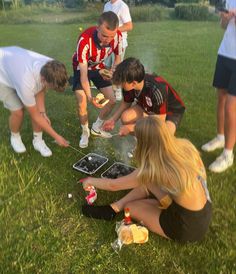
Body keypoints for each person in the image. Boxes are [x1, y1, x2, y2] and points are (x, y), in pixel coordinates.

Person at [80, 116, 212, 243]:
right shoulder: (185, 146)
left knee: (130, 208)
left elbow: (113, 185)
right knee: (147, 181)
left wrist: (90, 180)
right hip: (204, 210)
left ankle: (113, 209)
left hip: (186, 227)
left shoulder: (152, 169)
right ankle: (112, 209)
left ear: (145, 144)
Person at [0, 46, 69, 156]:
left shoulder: (50, 66)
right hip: (2, 74)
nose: (50, 89)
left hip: (15, 63)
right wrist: (57, 137)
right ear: (43, 79)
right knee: (18, 111)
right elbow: (35, 115)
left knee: (39, 113)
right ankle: (15, 137)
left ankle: (38, 141)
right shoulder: (26, 82)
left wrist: (43, 112)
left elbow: (40, 90)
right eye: (51, 87)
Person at [72, 11, 123, 148]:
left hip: (99, 67)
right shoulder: (85, 41)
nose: (107, 39)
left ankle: (96, 128)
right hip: (81, 69)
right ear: (97, 28)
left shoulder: (117, 36)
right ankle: (85, 132)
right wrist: (90, 97)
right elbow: (84, 75)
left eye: (111, 36)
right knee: (82, 102)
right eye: (104, 35)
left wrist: (112, 71)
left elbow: (118, 57)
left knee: (112, 99)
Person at [103, 57, 185, 136]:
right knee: (126, 117)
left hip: (170, 111)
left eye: (122, 83)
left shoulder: (156, 90)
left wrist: (130, 128)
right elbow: (126, 103)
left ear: (133, 83)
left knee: (162, 135)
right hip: (146, 107)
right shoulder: (129, 84)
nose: (120, 85)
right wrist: (113, 120)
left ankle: (147, 142)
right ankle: (141, 142)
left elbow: (158, 122)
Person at [201, 2, 236, 173]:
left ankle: (228, 155)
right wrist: (224, 18)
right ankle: (220, 137)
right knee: (221, 98)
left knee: (231, 106)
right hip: (225, 53)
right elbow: (224, 27)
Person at [103, 0, 133, 101]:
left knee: (117, 68)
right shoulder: (107, 5)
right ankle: (107, 89)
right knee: (106, 67)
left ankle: (118, 91)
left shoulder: (122, 6)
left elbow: (129, 26)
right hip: (107, 42)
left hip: (119, 42)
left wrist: (113, 30)